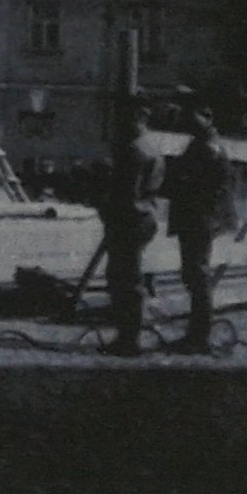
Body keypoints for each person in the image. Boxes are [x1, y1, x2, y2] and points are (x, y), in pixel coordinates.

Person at [163, 103, 236, 355]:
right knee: (194, 276)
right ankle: (195, 335)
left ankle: (200, 337)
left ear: (208, 117)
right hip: (196, 218)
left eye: (195, 116)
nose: (189, 121)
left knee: (197, 275)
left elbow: (210, 188)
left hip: (200, 219)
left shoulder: (208, 148)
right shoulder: (201, 144)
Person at [98, 97, 167, 356]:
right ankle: (130, 335)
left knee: (123, 279)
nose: (122, 122)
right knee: (131, 277)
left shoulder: (133, 150)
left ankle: (128, 339)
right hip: (146, 214)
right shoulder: (152, 145)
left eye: (128, 117)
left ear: (139, 116)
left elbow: (125, 193)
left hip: (129, 217)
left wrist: (106, 209)